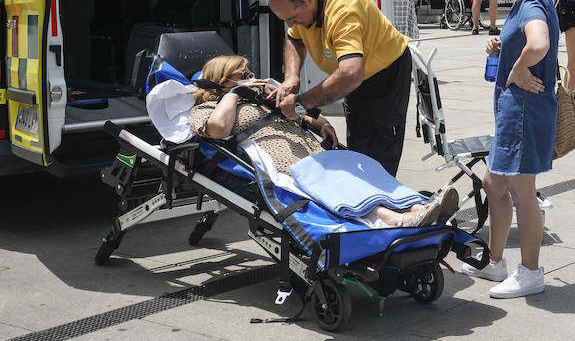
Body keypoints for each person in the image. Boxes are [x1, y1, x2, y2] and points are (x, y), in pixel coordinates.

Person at [190, 55, 456, 227]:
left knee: (360, 167)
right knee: (337, 184)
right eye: (242, 74)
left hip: (309, 150)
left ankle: (416, 205)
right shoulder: (209, 109)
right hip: (285, 160)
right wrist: (236, 93)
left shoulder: (262, 97)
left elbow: (298, 113)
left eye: (249, 72)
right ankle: (398, 220)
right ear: (222, 81)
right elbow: (217, 129)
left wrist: (323, 124)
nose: (251, 77)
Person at [464, 0, 560, 298]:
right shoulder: (527, 1)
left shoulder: (533, 2)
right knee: (493, 183)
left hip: (523, 112)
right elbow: (524, 39)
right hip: (514, 112)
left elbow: (538, 43)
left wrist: (519, 66)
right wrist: (501, 46)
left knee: (523, 192)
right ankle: (496, 261)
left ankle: (531, 272)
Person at [269, 0, 412, 176]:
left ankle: (395, 204)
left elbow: (350, 74)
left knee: (381, 153)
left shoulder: (344, 9)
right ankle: (361, 199)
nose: (290, 25)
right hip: (356, 76)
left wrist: (302, 103)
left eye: (292, 18)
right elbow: (294, 39)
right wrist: (292, 76)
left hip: (386, 73)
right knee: (358, 147)